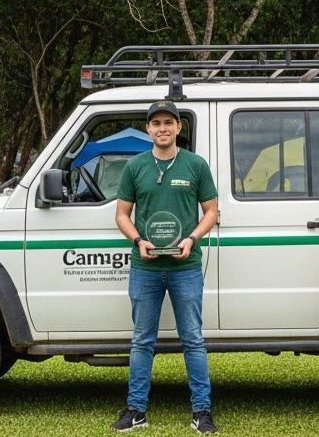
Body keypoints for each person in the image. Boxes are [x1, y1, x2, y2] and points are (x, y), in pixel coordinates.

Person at [110, 100, 220, 434]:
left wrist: (192, 239)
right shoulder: (135, 167)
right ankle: (136, 410)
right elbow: (122, 214)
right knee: (142, 340)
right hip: (145, 266)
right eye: (156, 123)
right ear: (148, 129)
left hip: (185, 266)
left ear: (178, 127)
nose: (162, 128)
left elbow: (211, 212)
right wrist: (137, 241)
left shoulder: (195, 165)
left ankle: (202, 411)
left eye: (168, 122)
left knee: (193, 340)